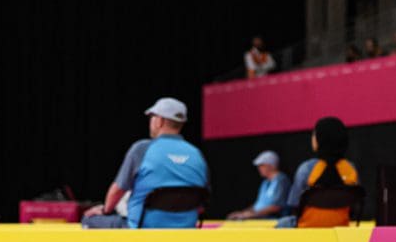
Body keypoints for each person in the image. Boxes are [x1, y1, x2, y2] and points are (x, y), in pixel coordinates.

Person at [82, 97, 209, 229]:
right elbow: (202, 202)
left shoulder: (142, 149)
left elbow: (117, 191)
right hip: (186, 230)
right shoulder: (197, 155)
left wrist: (105, 210)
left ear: (160, 121)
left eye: (152, 117)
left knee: (89, 219)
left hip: (143, 230)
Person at [276, 116, 359, 227]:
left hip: (307, 229)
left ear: (319, 140)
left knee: (281, 223)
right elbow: (355, 206)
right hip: (340, 228)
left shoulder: (306, 168)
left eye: (314, 134)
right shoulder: (350, 168)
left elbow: (294, 204)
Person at [227, 150, 291, 220]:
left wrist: (251, 215)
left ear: (271, 165)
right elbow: (258, 205)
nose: (259, 168)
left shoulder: (281, 180)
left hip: (276, 222)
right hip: (261, 220)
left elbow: (277, 207)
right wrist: (242, 213)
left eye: (262, 165)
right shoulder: (265, 182)